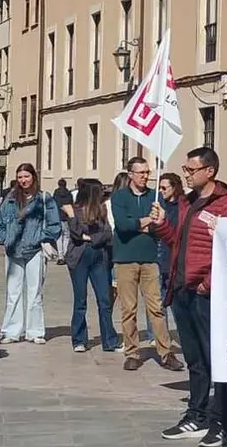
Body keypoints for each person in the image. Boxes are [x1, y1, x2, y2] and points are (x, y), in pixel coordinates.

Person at [149, 147, 227, 446]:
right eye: (186, 169)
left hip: (206, 293)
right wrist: (163, 224)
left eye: (191, 169)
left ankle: (220, 420)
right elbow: (179, 242)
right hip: (181, 290)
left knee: (216, 358)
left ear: (209, 171)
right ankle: (197, 414)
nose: (186, 174)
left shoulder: (226, 205)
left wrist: (208, 284)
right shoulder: (187, 203)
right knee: (195, 359)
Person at [110, 157, 184, 372]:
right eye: (140, 172)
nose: (145, 176)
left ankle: (165, 352)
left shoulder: (155, 196)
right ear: (130, 174)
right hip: (125, 258)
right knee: (128, 309)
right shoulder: (119, 196)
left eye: (147, 172)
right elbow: (123, 225)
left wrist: (148, 223)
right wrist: (145, 221)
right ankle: (132, 352)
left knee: (156, 308)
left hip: (151, 258)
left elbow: (164, 224)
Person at [0, 163, 61, 344]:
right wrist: (4, 238)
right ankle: (11, 331)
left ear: (33, 176)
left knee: (35, 293)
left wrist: (41, 238)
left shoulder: (44, 199)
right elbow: (0, 221)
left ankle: (35, 331)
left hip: (35, 250)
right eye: (20, 177)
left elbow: (54, 224)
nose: (23, 180)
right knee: (12, 292)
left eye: (26, 176)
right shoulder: (10, 199)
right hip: (13, 249)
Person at [65, 179, 120, 352]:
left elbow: (107, 233)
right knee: (80, 300)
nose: (103, 194)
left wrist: (89, 237)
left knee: (104, 300)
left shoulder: (101, 210)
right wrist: (76, 223)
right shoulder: (74, 210)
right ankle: (79, 340)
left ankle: (109, 341)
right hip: (79, 258)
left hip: (99, 258)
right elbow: (75, 233)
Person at [155, 172, 183, 299]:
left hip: (173, 259)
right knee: (156, 303)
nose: (161, 191)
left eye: (164, 188)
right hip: (158, 259)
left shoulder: (182, 208)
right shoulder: (158, 205)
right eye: (159, 188)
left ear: (174, 188)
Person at [53, 178, 73, 263]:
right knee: (67, 236)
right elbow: (71, 205)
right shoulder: (69, 194)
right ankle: (65, 254)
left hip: (57, 217)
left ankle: (60, 256)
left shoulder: (56, 193)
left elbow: (53, 205)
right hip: (66, 217)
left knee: (58, 237)